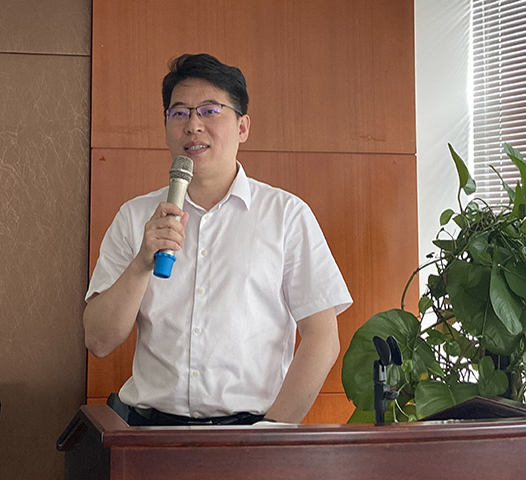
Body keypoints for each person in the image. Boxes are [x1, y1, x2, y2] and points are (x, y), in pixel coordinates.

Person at [83, 53, 352, 426]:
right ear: (166, 126)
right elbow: (98, 341)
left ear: (242, 127)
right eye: (179, 113)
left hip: (253, 432)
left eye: (210, 111)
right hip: (149, 432)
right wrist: (142, 262)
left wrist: (270, 434)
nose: (193, 125)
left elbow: (323, 339)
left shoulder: (286, 215)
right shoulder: (135, 217)